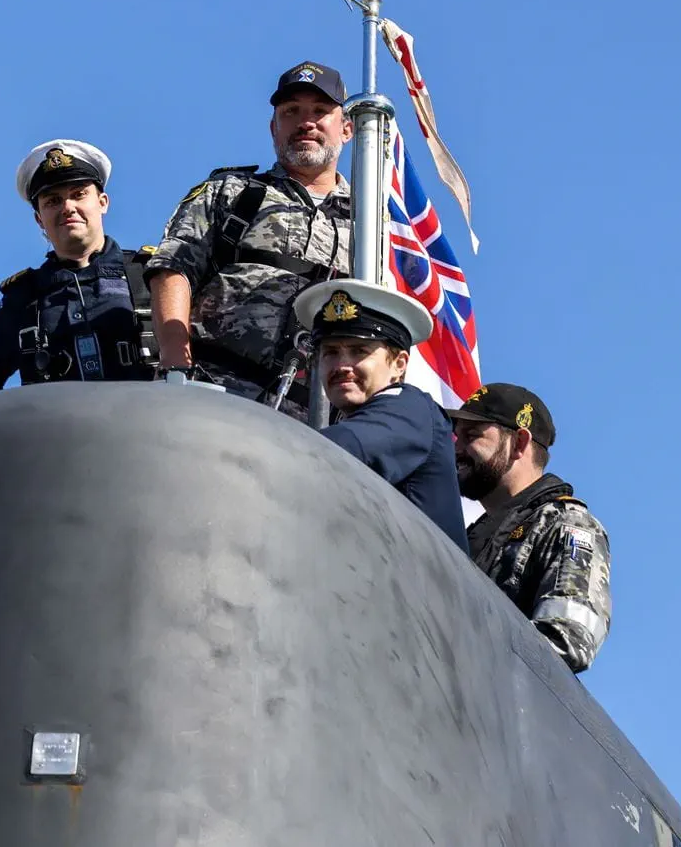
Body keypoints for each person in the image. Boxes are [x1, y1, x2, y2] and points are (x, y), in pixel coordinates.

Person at [145, 62, 354, 420]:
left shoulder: (374, 224)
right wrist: (175, 363)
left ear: (347, 129)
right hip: (217, 396)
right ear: (274, 128)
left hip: (318, 420)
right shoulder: (233, 193)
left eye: (320, 112)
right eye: (291, 112)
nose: (306, 122)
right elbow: (172, 269)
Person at [0, 139, 157, 400]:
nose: (67, 207)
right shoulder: (24, 296)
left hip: (151, 430)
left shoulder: (149, 274)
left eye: (79, 194)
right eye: (53, 201)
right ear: (39, 218)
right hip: (62, 436)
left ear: (103, 202)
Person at [291, 278, 468, 551]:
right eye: (331, 353)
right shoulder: (352, 419)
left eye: (359, 351)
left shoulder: (410, 408)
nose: (342, 365)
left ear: (398, 365)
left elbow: (341, 449)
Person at [447, 384, 611, 673]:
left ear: (520, 443)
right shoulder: (477, 533)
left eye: (471, 436)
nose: (456, 448)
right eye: (456, 435)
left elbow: (568, 640)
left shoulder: (569, 525)